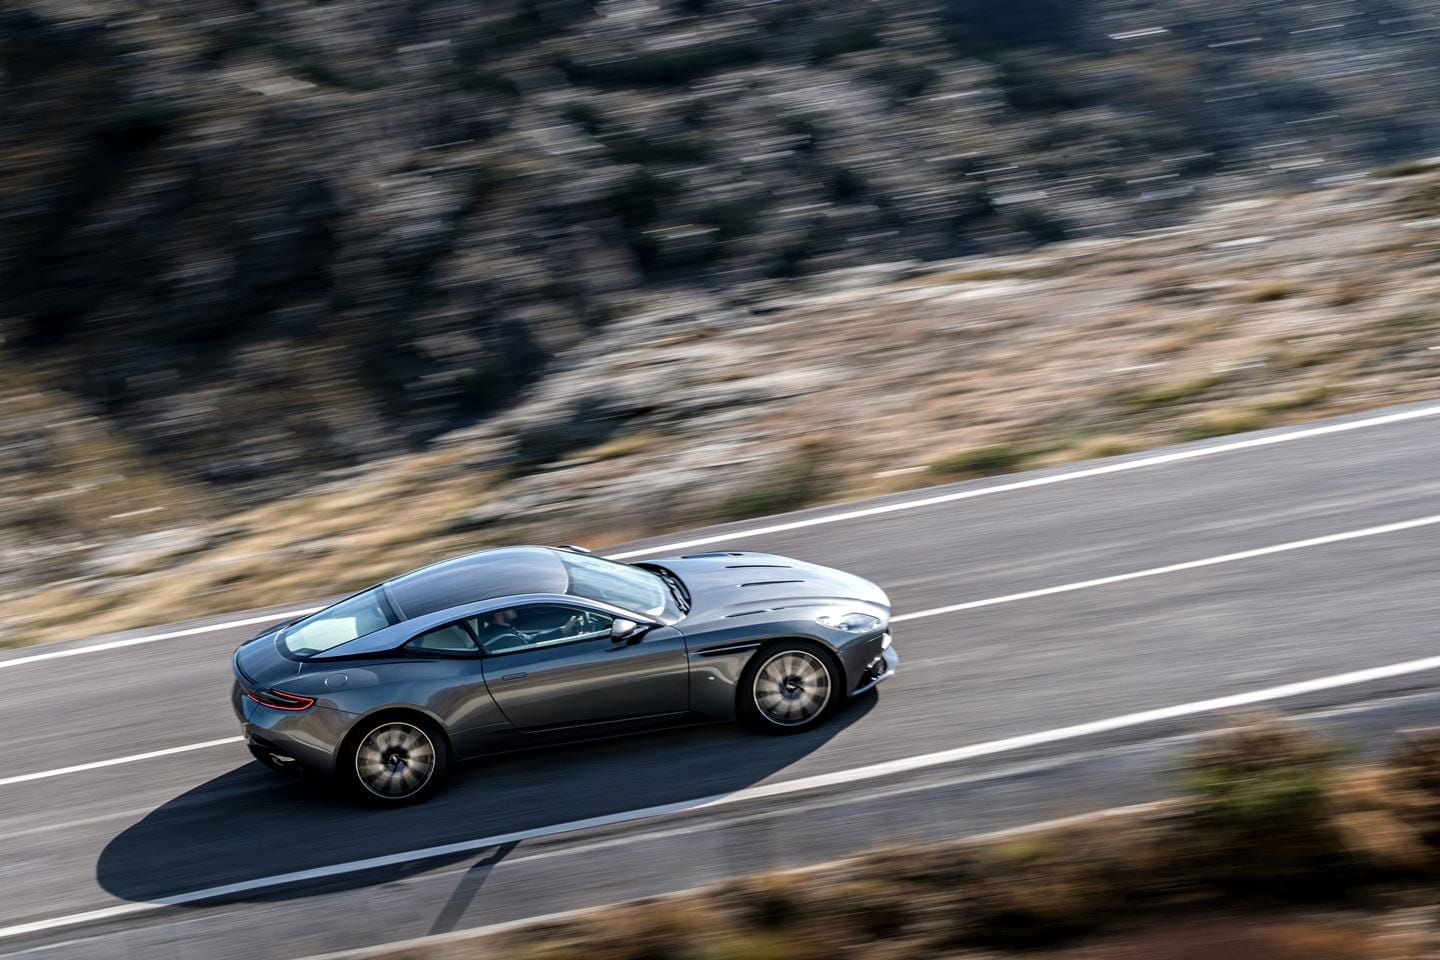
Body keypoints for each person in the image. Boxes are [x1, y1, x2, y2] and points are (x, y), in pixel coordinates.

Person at [475, 607, 585, 653]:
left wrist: (563, 630)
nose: (513, 609)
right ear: (498, 615)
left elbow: (531, 639)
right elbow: (531, 651)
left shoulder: (498, 630)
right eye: (508, 609)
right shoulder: (506, 639)